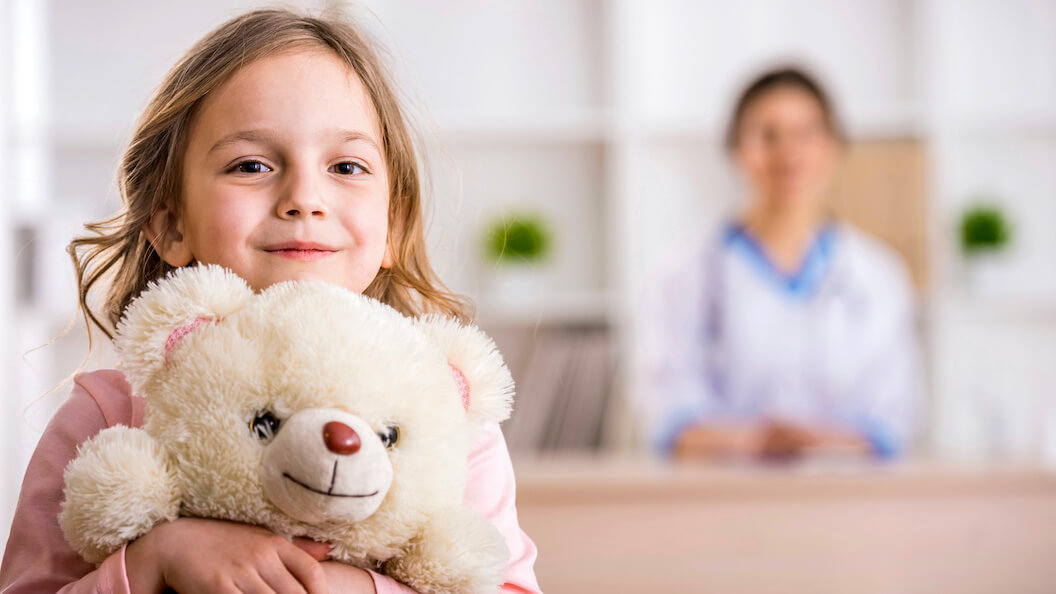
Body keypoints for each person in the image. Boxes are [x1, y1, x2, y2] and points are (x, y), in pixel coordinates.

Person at [0, 9, 540, 594]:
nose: (304, 197)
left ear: (393, 226)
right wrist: (154, 562)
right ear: (171, 225)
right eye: (251, 165)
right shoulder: (107, 415)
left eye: (345, 166)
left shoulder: (440, 412)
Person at [646, 67, 919, 462]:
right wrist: (755, 443)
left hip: (845, 499)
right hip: (721, 504)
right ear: (735, 149)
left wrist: (814, 444)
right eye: (767, 135)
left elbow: (894, 420)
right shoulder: (684, 275)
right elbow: (668, 416)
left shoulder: (877, 275)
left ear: (834, 147)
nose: (788, 153)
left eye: (808, 133)